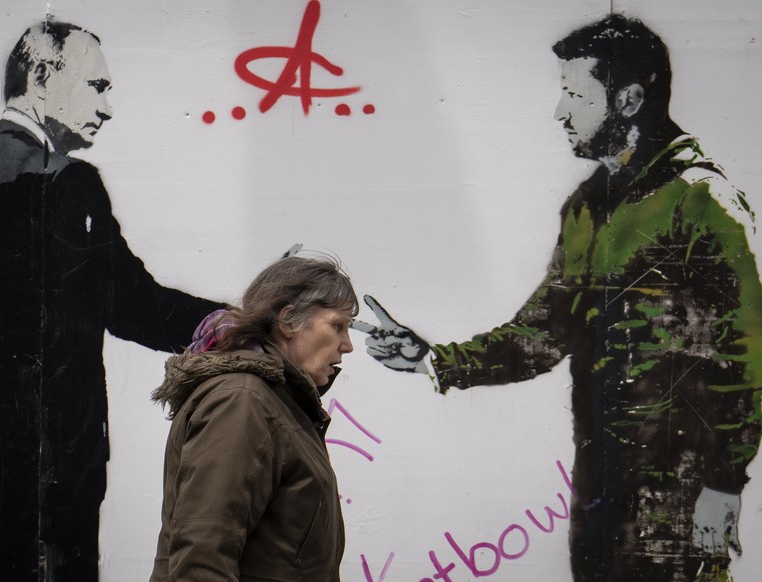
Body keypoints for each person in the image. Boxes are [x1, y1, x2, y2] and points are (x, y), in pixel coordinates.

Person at [354, 15, 762, 581]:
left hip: (681, 504)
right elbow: (542, 335)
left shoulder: (705, 203)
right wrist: (431, 358)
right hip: (599, 495)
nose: (560, 113)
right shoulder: (585, 207)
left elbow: (747, 361)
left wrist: (724, 484)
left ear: (628, 100)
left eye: (574, 94)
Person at [0, 21, 224, 581]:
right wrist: (228, 323)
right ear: (42, 79)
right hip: (55, 478)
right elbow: (133, 303)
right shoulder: (68, 185)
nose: (109, 106)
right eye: (96, 86)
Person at [149, 255, 356, 581]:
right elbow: (203, 556)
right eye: (337, 326)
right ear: (288, 321)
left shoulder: (275, 401)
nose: (348, 345)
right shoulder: (242, 401)